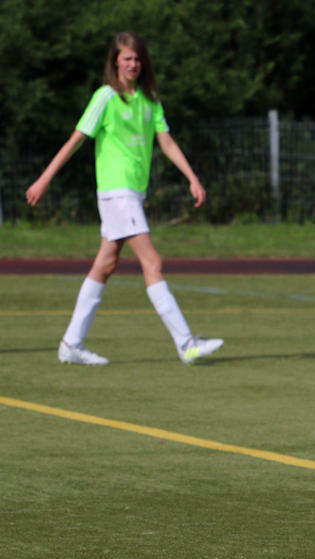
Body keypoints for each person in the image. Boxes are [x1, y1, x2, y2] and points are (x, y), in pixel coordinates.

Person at [25, 31, 222, 366]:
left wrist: (192, 178)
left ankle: (71, 344)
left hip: (132, 194)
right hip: (117, 193)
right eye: (127, 58)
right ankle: (186, 343)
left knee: (105, 265)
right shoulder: (104, 97)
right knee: (152, 263)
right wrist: (45, 178)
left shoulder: (150, 100)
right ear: (115, 62)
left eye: (137, 58)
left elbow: (167, 143)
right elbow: (76, 139)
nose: (133, 64)